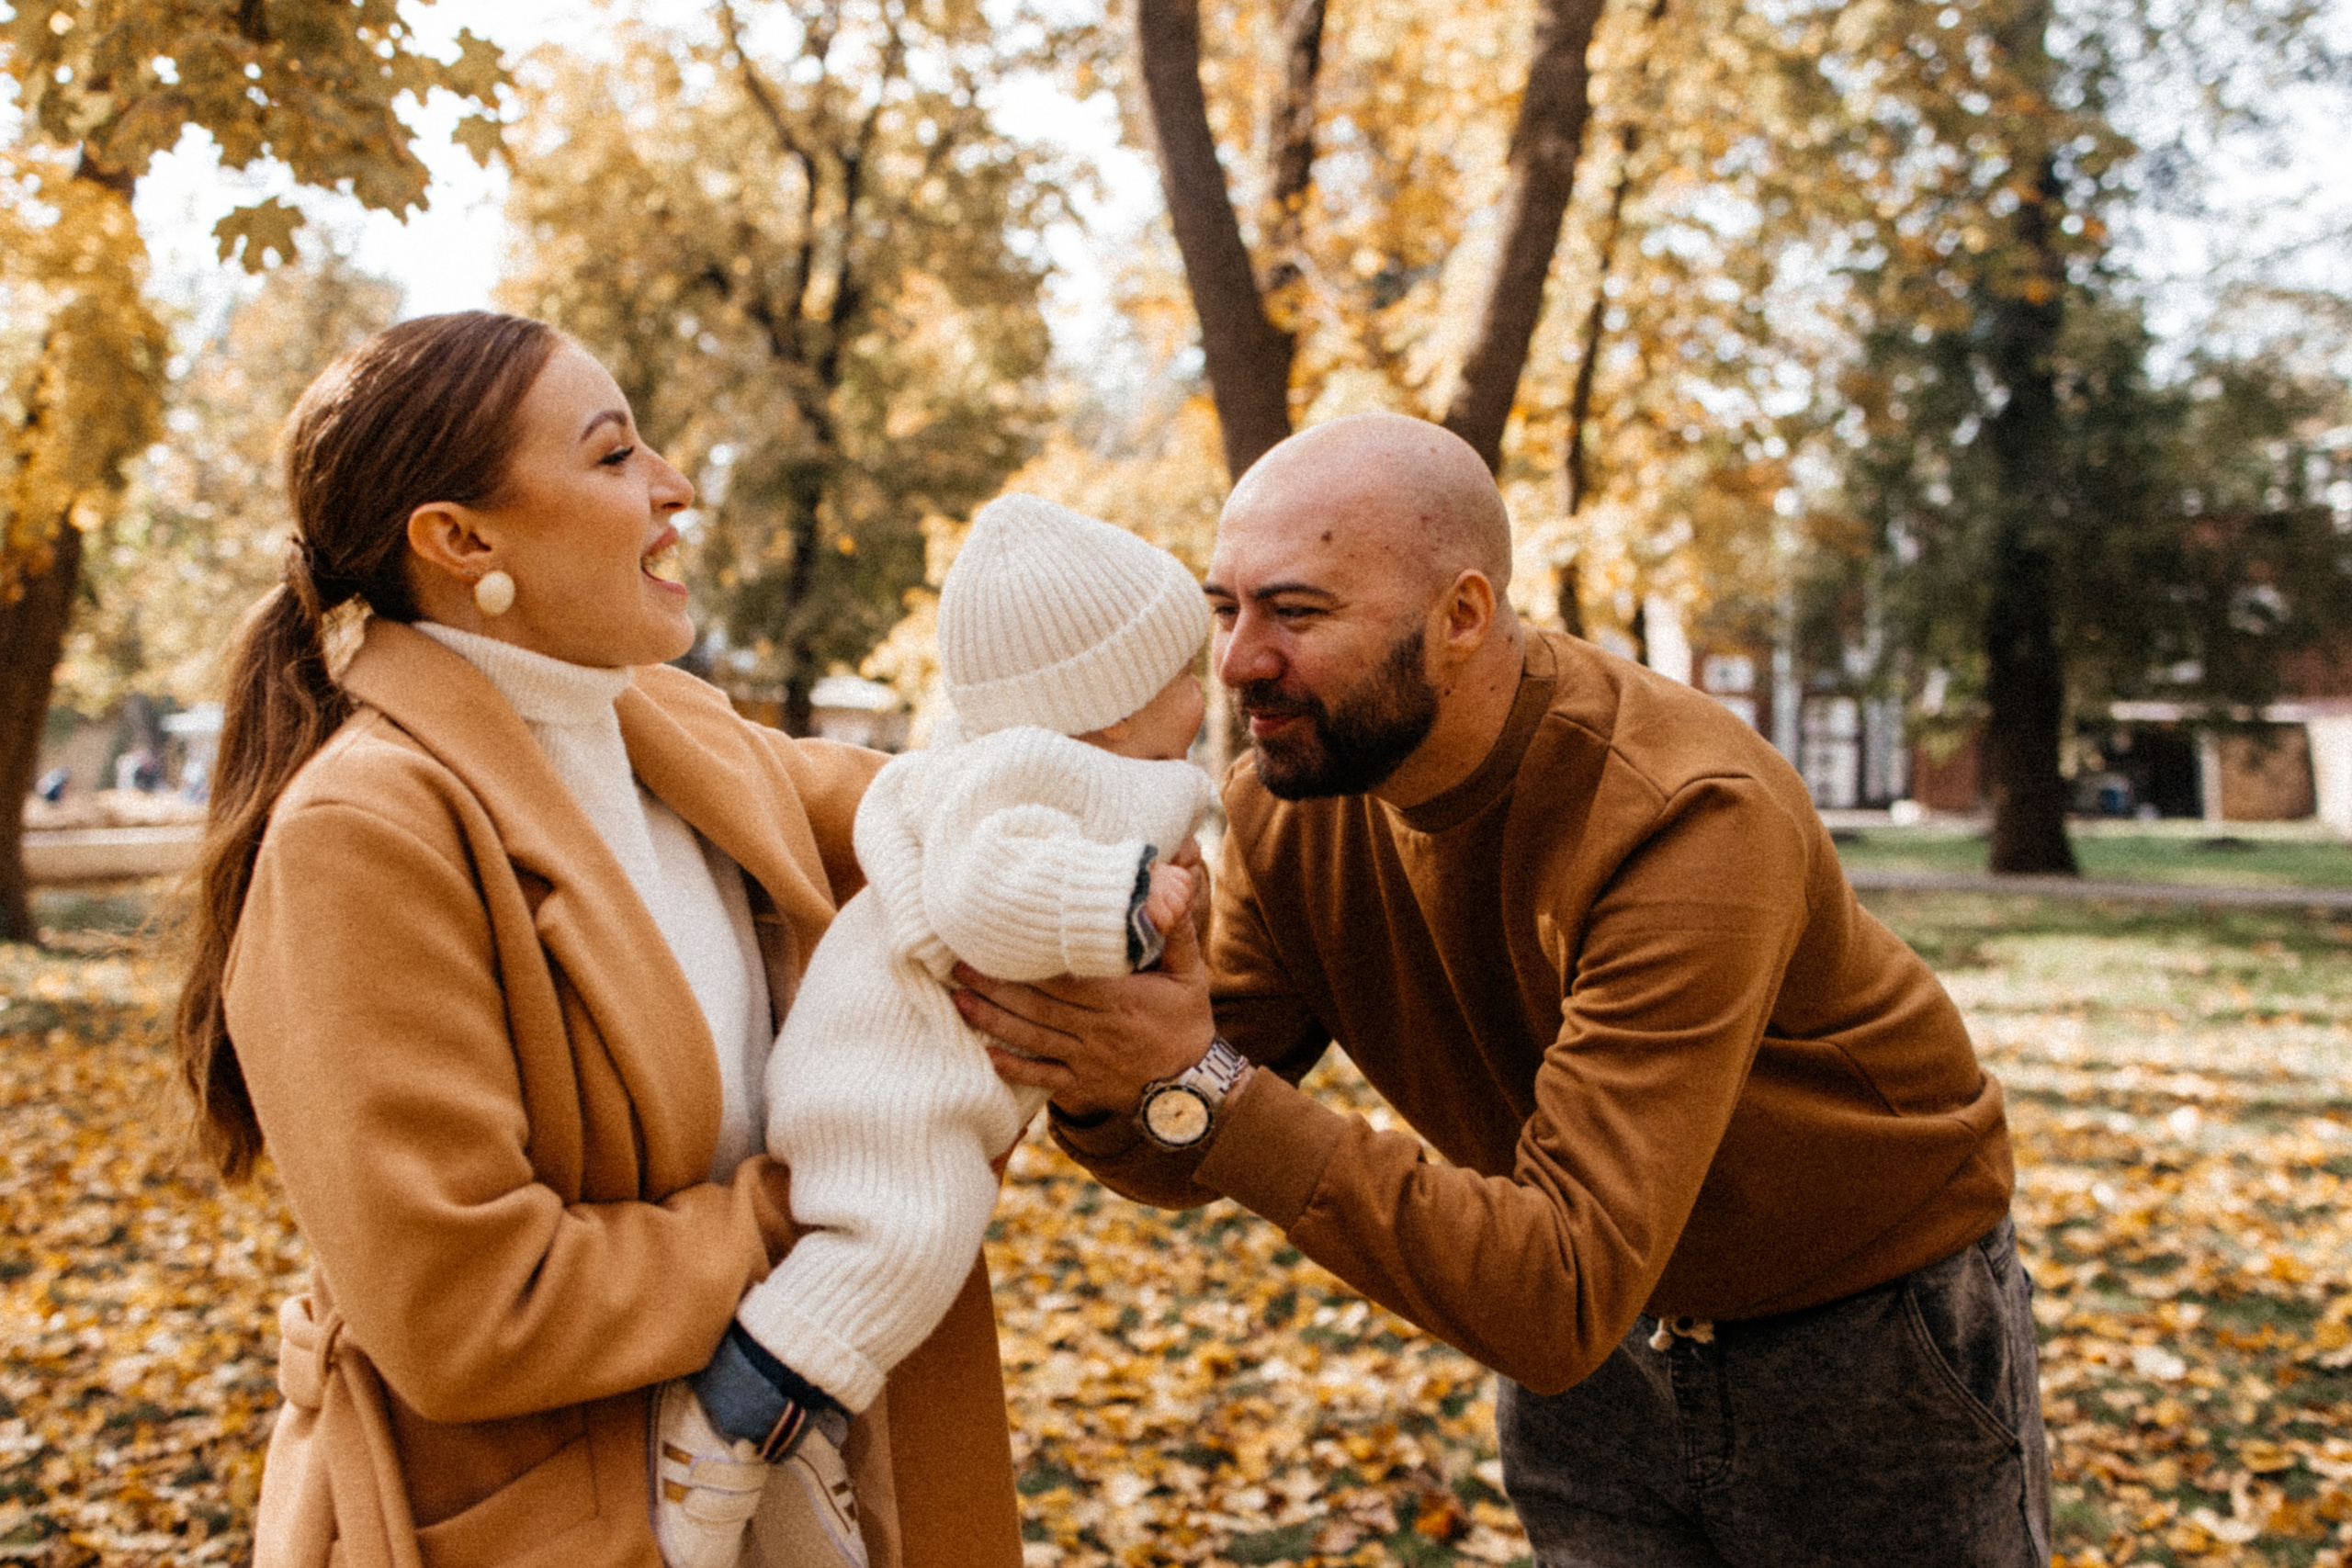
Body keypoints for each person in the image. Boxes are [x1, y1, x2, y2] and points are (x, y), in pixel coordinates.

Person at [957, 412, 2052, 1567]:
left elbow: (1546, 1277)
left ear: (1463, 617)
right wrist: (1103, 1058)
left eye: (1296, 611)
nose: (1236, 663)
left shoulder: (1682, 813)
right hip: (1576, 1349)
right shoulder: (1285, 805)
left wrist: (1197, 1082)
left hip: (1863, 1342)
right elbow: (1179, 1136)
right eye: (1223, 609)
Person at [173, 311, 1023, 1568]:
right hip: (543, 1520)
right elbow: (472, 1306)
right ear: (462, 541)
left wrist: (1107, 829)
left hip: (790, 1494)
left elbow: (935, 814)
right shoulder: (363, 831)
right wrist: (826, 1203)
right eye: (616, 455)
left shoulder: (669, 733)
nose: (675, 486)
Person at [652, 494, 1216, 1568]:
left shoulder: (1052, 763)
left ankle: (792, 1413)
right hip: (889, 1077)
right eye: (1177, 676)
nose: (1203, 692)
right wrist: (1120, 903)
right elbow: (977, 890)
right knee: (901, 1244)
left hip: (908, 1064)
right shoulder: (1030, 774)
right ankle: (720, 1442)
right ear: (1100, 710)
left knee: (902, 1257)